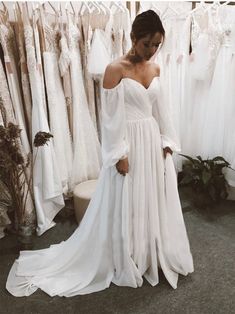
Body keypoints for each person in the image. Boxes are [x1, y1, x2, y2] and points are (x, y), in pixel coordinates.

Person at [6, 10, 194, 298]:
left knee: (148, 195)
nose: (152, 51)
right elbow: (109, 119)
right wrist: (119, 153)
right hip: (128, 142)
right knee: (125, 198)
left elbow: (161, 109)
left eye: (157, 45)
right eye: (147, 44)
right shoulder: (114, 69)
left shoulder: (156, 69)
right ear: (133, 37)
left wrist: (167, 140)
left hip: (151, 141)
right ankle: (124, 251)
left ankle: (144, 249)